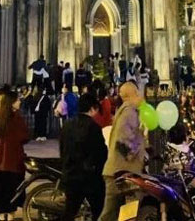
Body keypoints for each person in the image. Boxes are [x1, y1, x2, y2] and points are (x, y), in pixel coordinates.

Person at [98, 82, 145, 221]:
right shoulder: (130, 112)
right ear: (132, 94)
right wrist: (136, 152)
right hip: (121, 173)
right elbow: (123, 141)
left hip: (119, 171)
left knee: (117, 213)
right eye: (137, 92)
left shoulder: (124, 111)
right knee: (112, 213)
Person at [59, 93, 107, 221]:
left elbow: (62, 149)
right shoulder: (94, 127)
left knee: (70, 211)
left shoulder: (67, 125)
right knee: (99, 209)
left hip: (70, 175)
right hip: (89, 178)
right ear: (92, 108)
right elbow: (100, 153)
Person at [0, 89, 29, 221]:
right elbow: (25, 137)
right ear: (11, 102)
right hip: (14, 160)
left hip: (0, 161)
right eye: (17, 100)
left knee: (2, 191)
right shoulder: (16, 118)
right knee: (13, 191)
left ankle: (1, 215)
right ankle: (10, 215)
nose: (19, 102)